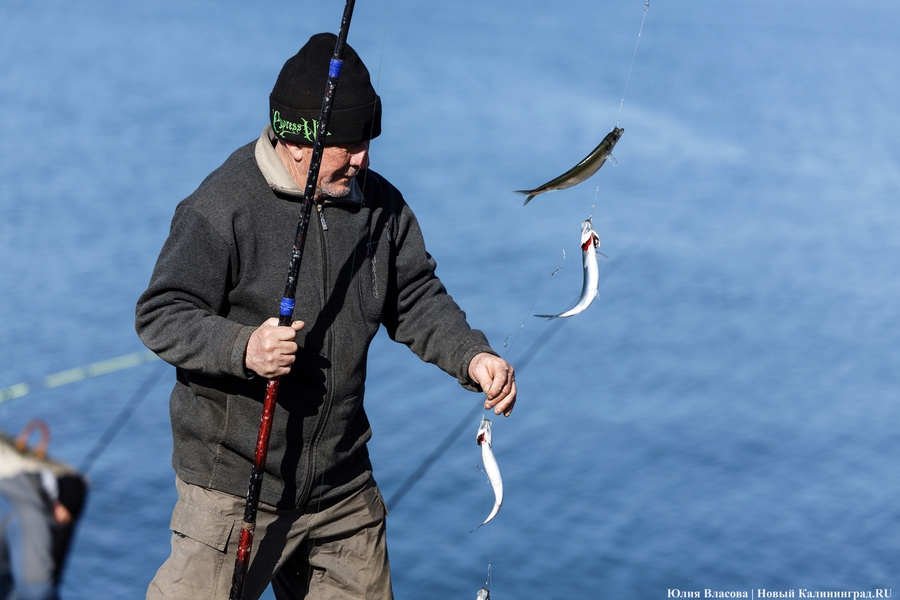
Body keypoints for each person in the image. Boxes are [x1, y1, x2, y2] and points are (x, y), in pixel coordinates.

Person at [135, 32, 516, 600]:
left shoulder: (379, 205)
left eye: (367, 140)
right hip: (232, 494)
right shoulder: (221, 206)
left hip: (342, 494)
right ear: (297, 143)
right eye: (348, 144)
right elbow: (162, 313)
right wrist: (244, 349)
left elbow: (413, 296)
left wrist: (473, 355)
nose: (363, 157)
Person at [0, 470, 88, 600]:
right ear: (58, 507)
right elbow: (36, 592)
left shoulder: (7, 487)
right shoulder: (31, 518)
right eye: (64, 521)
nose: (61, 527)